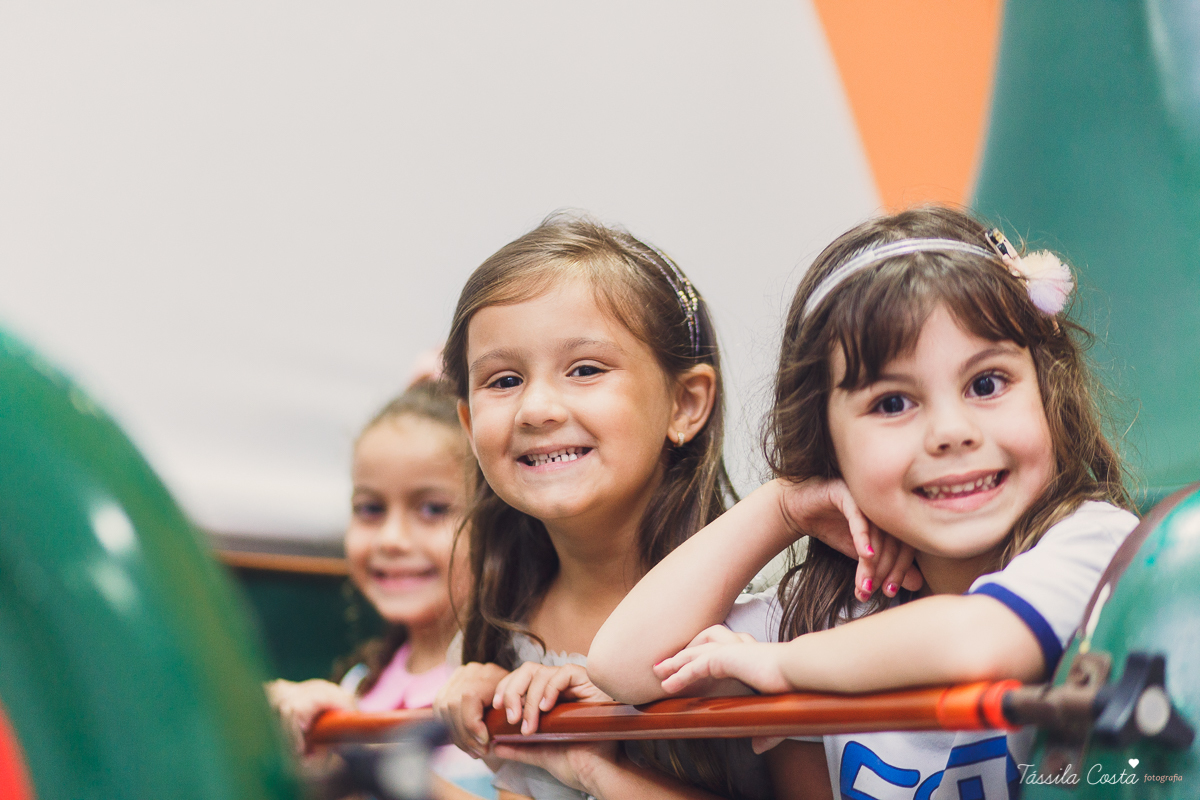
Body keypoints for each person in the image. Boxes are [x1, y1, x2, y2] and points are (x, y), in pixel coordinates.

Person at [588, 206, 1138, 800]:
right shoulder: (826, 617)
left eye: (986, 384)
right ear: (828, 443)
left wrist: (783, 667)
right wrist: (784, 507)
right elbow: (625, 665)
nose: (951, 432)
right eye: (893, 403)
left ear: (1048, 390)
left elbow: (977, 641)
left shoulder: (1100, 547)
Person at [433, 213, 769, 800]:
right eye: (504, 380)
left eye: (585, 370)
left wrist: (592, 766)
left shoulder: (753, 620)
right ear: (467, 422)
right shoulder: (493, 633)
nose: (536, 409)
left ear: (685, 405)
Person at [267, 377, 492, 798]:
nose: (391, 538)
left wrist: (365, 757)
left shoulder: (497, 687)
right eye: (370, 509)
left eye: (432, 509)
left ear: (497, 525)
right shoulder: (358, 686)